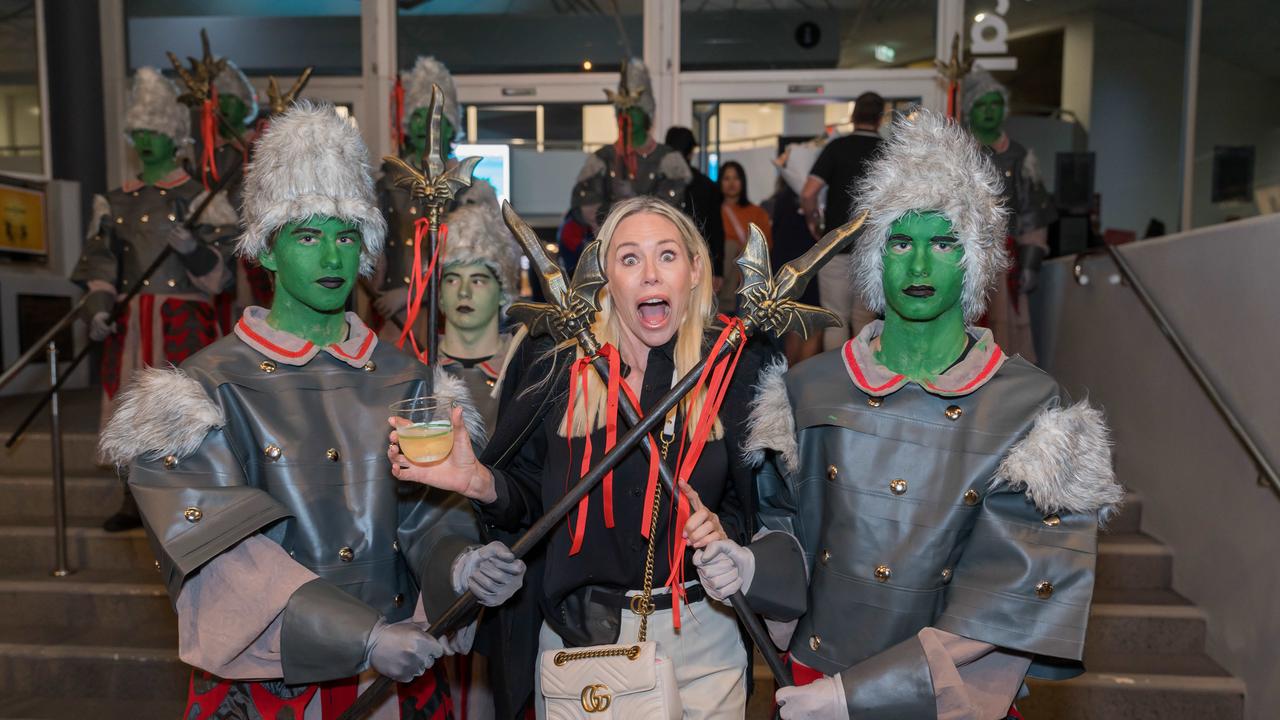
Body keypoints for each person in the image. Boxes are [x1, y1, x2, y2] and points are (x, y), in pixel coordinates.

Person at [96, 102, 525, 719]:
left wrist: (462, 567)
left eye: (346, 237)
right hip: (273, 687)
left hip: (397, 675)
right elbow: (227, 562)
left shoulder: (409, 378)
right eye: (308, 235)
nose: (331, 259)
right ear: (267, 250)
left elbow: (428, 518)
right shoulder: (195, 394)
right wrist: (365, 636)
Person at [699, 110, 1122, 718]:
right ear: (874, 256)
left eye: (944, 243)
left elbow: (1005, 604)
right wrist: (749, 567)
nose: (919, 268)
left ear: (972, 258)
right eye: (900, 242)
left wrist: (853, 695)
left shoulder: (1032, 410)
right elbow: (790, 536)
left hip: (942, 701)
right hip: (814, 679)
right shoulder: (807, 389)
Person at [391, 196, 777, 719]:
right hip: (582, 644)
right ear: (605, 280)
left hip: (704, 636)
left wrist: (721, 532)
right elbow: (531, 500)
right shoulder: (554, 367)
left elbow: (753, 503)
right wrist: (481, 481)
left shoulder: (731, 369)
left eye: (666, 255)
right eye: (629, 258)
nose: (649, 275)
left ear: (693, 270)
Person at [72, 66, 236, 532]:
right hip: (132, 323)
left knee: (182, 405)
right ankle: (131, 497)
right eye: (139, 130)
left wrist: (192, 251)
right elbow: (100, 266)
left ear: (175, 138)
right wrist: (98, 310)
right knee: (129, 404)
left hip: (184, 320)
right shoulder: (114, 203)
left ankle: (189, 492)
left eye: (156, 131)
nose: (146, 139)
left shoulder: (201, 198)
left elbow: (222, 278)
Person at [964, 68, 1057, 363]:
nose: (989, 111)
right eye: (982, 104)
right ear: (970, 109)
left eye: (995, 103)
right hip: (964, 259)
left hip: (1007, 261)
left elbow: (1032, 214)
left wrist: (1030, 263)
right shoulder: (957, 154)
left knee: (1008, 334)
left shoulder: (1020, 157)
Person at [373, 56, 468, 337]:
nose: (426, 125)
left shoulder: (470, 189)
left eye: (435, 117)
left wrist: (412, 294)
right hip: (388, 314)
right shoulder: (385, 184)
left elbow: (467, 261)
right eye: (418, 116)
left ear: (451, 127)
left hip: (444, 316)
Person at [801, 91, 886, 350]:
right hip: (875, 249)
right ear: (881, 118)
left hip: (836, 246)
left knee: (835, 318)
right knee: (866, 320)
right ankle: (870, 382)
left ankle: (836, 386)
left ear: (852, 116)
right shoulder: (889, 151)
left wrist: (814, 221)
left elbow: (808, 192)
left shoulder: (836, 148)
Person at [569, 59, 690, 231]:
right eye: (622, 111)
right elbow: (584, 205)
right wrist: (616, 208)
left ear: (646, 115)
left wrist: (634, 199)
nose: (626, 117)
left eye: (633, 110)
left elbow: (672, 210)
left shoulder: (668, 159)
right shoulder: (603, 158)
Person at [664, 125, 726, 295]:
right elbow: (715, 230)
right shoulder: (707, 185)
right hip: (698, 259)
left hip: (662, 258)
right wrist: (717, 269)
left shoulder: (657, 183)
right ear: (692, 152)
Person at [717, 160, 772, 312]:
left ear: (743, 182)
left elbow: (766, 247)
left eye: (736, 178)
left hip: (749, 283)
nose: (731, 183)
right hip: (722, 283)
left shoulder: (758, 213)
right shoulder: (714, 212)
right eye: (726, 178)